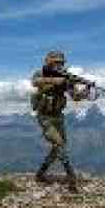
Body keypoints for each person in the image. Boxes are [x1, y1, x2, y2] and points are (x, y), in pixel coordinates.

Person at [30, 51, 88, 193]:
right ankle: (71, 177)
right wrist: (56, 81)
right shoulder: (41, 74)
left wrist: (85, 91)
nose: (59, 65)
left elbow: (75, 97)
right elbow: (35, 82)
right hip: (44, 116)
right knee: (59, 143)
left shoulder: (66, 78)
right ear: (49, 62)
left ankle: (40, 173)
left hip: (58, 116)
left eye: (61, 63)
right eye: (56, 62)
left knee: (59, 146)